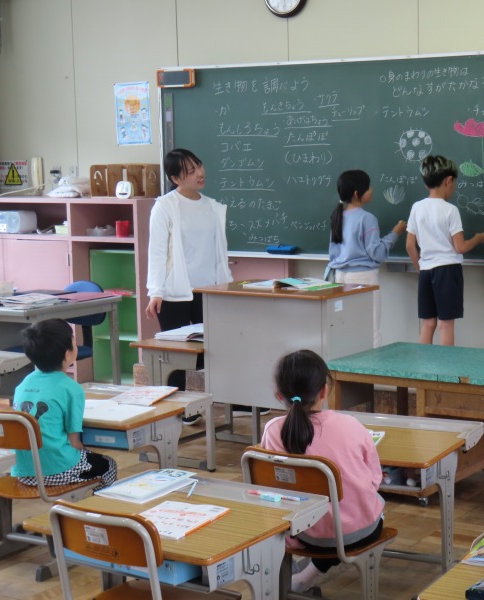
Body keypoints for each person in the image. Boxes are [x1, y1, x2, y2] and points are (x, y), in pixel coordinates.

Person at [261, 349, 384, 593]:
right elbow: (374, 481)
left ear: (279, 395)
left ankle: (300, 576)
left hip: (303, 533)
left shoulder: (273, 430)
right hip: (357, 533)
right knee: (370, 506)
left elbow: (270, 488)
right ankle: (305, 577)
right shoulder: (351, 425)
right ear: (324, 391)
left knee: (322, 515)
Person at [145, 148, 234, 424]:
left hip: (209, 290)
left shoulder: (212, 206)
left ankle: (232, 401)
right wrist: (156, 291)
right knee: (179, 356)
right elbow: (157, 251)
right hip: (176, 292)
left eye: (199, 166)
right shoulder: (165, 206)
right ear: (175, 178)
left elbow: (218, 252)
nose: (199, 173)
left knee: (218, 348)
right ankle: (180, 410)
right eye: (190, 171)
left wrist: (226, 284)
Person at [11, 319, 117, 490]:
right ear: (68, 354)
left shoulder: (23, 384)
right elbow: (74, 442)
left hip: (23, 472)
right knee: (108, 464)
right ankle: (96, 504)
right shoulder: (71, 388)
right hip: (57, 471)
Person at [405, 155, 484, 346]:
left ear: (426, 183)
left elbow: (410, 245)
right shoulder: (450, 210)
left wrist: (420, 268)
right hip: (448, 271)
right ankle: (446, 366)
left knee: (427, 323)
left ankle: (423, 364)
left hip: (426, 271)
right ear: (448, 181)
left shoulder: (417, 207)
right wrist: (478, 238)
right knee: (446, 324)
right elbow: (460, 247)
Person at [327, 169, 406, 347]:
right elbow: (377, 253)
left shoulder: (337, 217)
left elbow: (333, 252)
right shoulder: (367, 218)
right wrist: (395, 234)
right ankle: (373, 364)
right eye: (368, 187)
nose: (372, 189)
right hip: (363, 279)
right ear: (357, 194)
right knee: (371, 330)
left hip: (339, 278)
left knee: (345, 327)